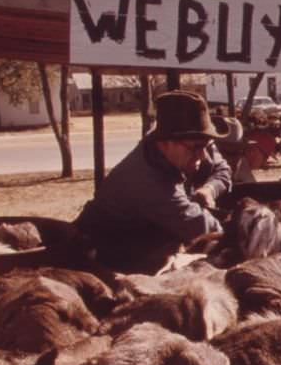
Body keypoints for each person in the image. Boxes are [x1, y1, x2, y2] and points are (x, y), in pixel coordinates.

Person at [73, 91, 233, 273]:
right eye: (196, 147)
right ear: (165, 143)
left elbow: (223, 170)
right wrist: (238, 236)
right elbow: (203, 228)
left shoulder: (194, 143)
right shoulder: (146, 180)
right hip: (105, 255)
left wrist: (209, 189)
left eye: (207, 145)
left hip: (157, 236)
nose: (203, 155)